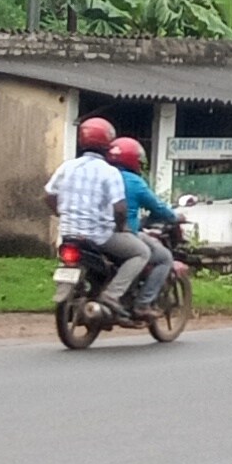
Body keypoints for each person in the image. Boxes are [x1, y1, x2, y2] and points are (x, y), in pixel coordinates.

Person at [48, 118, 154, 318]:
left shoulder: (67, 167)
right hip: (99, 237)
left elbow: (48, 195)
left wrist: (62, 213)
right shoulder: (109, 172)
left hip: (69, 235)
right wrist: (121, 227)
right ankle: (112, 295)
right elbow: (120, 208)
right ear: (108, 144)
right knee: (141, 253)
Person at [105, 136, 181, 314]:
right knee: (164, 258)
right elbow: (158, 207)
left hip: (96, 233)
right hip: (124, 234)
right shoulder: (134, 182)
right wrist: (175, 216)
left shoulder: (103, 175)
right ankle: (143, 304)